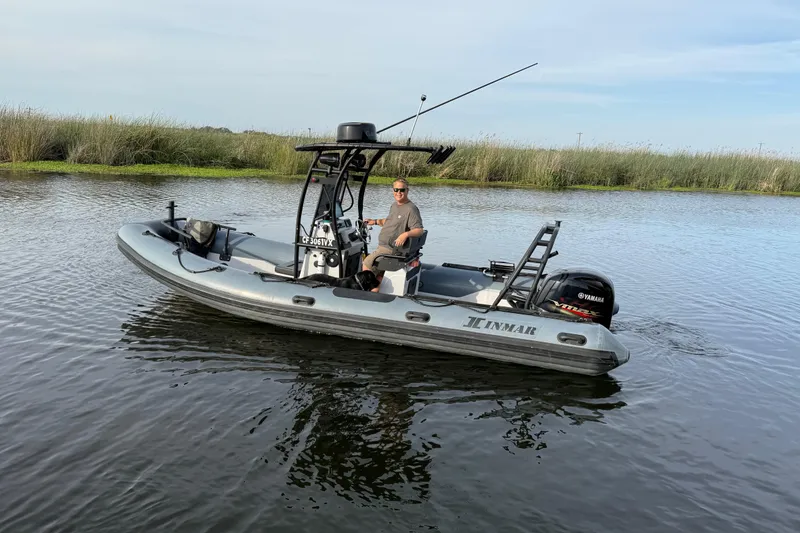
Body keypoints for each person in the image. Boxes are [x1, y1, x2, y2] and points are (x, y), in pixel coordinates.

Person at [362, 178, 424, 282]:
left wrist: (405, 234)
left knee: (367, 264)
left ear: (407, 191)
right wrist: (375, 221)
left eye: (402, 190)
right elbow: (390, 221)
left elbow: (419, 230)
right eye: (396, 190)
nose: (399, 193)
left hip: (390, 249)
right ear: (393, 191)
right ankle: (378, 289)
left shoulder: (411, 209)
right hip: (383, 247)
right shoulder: (394, 205)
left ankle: (366, 293)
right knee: (378, 277)